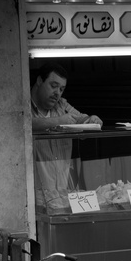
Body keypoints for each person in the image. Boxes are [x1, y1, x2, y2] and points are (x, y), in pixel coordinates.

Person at [31, 62, 103, 190]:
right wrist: (57, 121)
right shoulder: (22, 107)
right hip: (33, 192)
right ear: (39, 80)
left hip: (63, 188)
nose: (57, 93)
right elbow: (22, 125)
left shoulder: (62, 105)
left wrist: (92, 120)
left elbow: (81, 118)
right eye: (53, 86)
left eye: (61, 89)